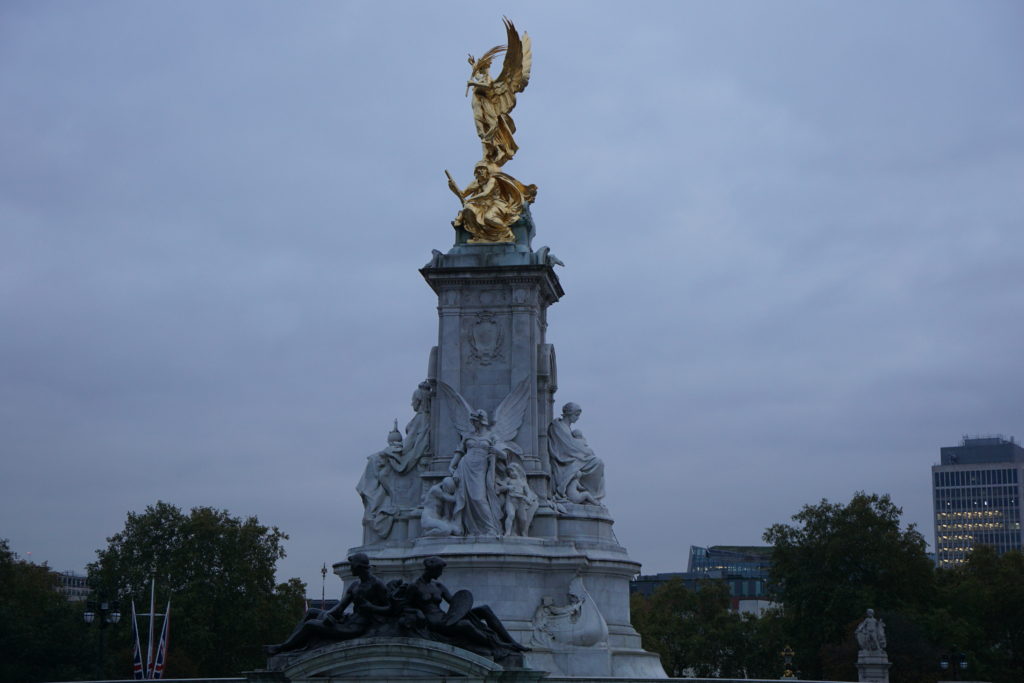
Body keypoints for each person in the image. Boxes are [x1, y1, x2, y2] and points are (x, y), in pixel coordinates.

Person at [265, 553, 389, 654]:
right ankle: (291, 645)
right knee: (312, 612)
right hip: (348, 620)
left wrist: (371, 607)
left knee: (310, 625)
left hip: (356, 627)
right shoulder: (355, 585)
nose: (350, 568)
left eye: (352, 565)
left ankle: (282, 648)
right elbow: (340, 607)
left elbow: (390, 609)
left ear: (359, 567)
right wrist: (327, 616)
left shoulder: (376, 584)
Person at [407, 556, 527, 654]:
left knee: (484, 610)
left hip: (446, 618)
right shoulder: (415, 587)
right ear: (431, 570)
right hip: (435, 623)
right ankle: (498, 644)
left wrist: (464, 606)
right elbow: (404, 607)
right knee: (465, 624)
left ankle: (511, 641)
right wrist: (416, 612)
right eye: (439, 570)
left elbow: (454, 602)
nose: (441, 574)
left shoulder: (438, 586)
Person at [448, 409, 505, 535]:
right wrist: (451, 466)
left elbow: (504, 455)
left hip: (481, 469)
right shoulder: (468, 436)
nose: (473, 424)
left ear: (481, 421)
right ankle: (471, 528)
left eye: (475, 421)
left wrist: (496, 450)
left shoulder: (492, 436)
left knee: (479, 498)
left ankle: (491, 528)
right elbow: (459, 452)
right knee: (464, 497)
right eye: (472, 421)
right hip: (465, 467)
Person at [547, 403, 605, 504]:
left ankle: (591, 495)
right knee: (598, 463)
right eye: (576, 415)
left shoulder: (567, 428)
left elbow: (573, 445)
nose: (577, 418)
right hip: (564, 460)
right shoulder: (558, 426)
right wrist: (587, 451)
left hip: (573, 457)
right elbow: (568, 447)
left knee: (598, 462)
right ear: (569, 413)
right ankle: (591, 496)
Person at [497, 462, 538, 536]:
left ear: (518, 471)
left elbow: (528, 492)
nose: (511, 473)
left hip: (521, 502)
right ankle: (508, 532)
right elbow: (500, 488)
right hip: (511, 501)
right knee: (511, 515)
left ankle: (523, 532)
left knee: (523, 519)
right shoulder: (508, 480)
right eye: (509, 472)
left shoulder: (523, 481)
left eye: (513, 471)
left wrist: (528, 498)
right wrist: (507, 487)